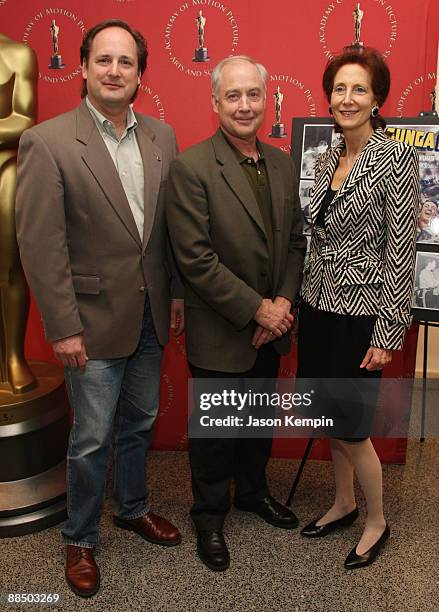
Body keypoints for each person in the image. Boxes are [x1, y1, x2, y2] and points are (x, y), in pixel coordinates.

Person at [16, 20, 184, 598]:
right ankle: (80, 536)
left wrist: (176, 299)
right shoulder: (48, 141)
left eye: (127, 62)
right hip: (87, 323)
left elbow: (168, 235)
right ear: (83, 67)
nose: (115, 71)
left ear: (141, 73)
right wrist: (62, 328)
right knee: (90, 438)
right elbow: (40, 245)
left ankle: (131, 507)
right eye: (104, 60)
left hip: (149, 316)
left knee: (138, 424)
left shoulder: (162, 137)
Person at [167, 55, 306, 571]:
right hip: (225, 328)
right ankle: (208, 516)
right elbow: (196, 260)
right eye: (233, 96)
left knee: (256, 421)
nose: (245, 105)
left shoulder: (283, 162)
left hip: (273, 326)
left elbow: (295, 243)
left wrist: (283, 306)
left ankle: (252, 492)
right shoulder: (191, 167)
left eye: (253, 94)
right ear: (215, 103)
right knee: (214, 433)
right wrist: (257, 311)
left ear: (264, 99)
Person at [297, 45, 419, 569]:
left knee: (354, 427)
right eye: (339, 88)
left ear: (377, 99)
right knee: (328, 418)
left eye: (359, 89)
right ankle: (343, 502)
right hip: (318, 308)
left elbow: (400, 251)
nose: (347, 98)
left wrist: (388, 333)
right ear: (329, 97)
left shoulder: (397, 159)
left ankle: (376, 520)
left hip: (362, 315)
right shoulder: (327, 157)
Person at [0, 34, 37, 394]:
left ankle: (14, 357)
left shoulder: (18, 55)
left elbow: (24, 119)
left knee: (10, 268)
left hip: (4, 170)